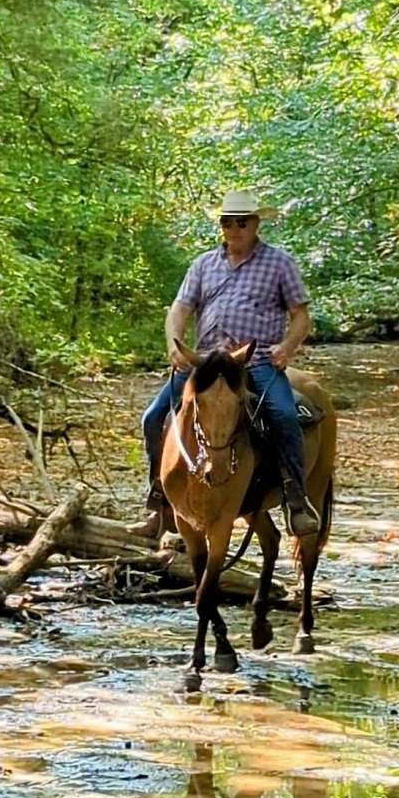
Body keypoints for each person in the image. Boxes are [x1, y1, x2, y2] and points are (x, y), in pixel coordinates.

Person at [129, 189, 318, 539]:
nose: (234, 229)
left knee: (284, 415)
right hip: (205, 363)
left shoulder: (279, 263)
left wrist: (287, 347)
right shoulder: (203, 264)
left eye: (241, 222)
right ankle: (159, 502)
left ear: (256, 224)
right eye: (228, 222)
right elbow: (180, 309)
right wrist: (174, 343)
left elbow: (300, 314)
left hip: (255, 362)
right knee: (154, 417)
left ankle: (296, 499)